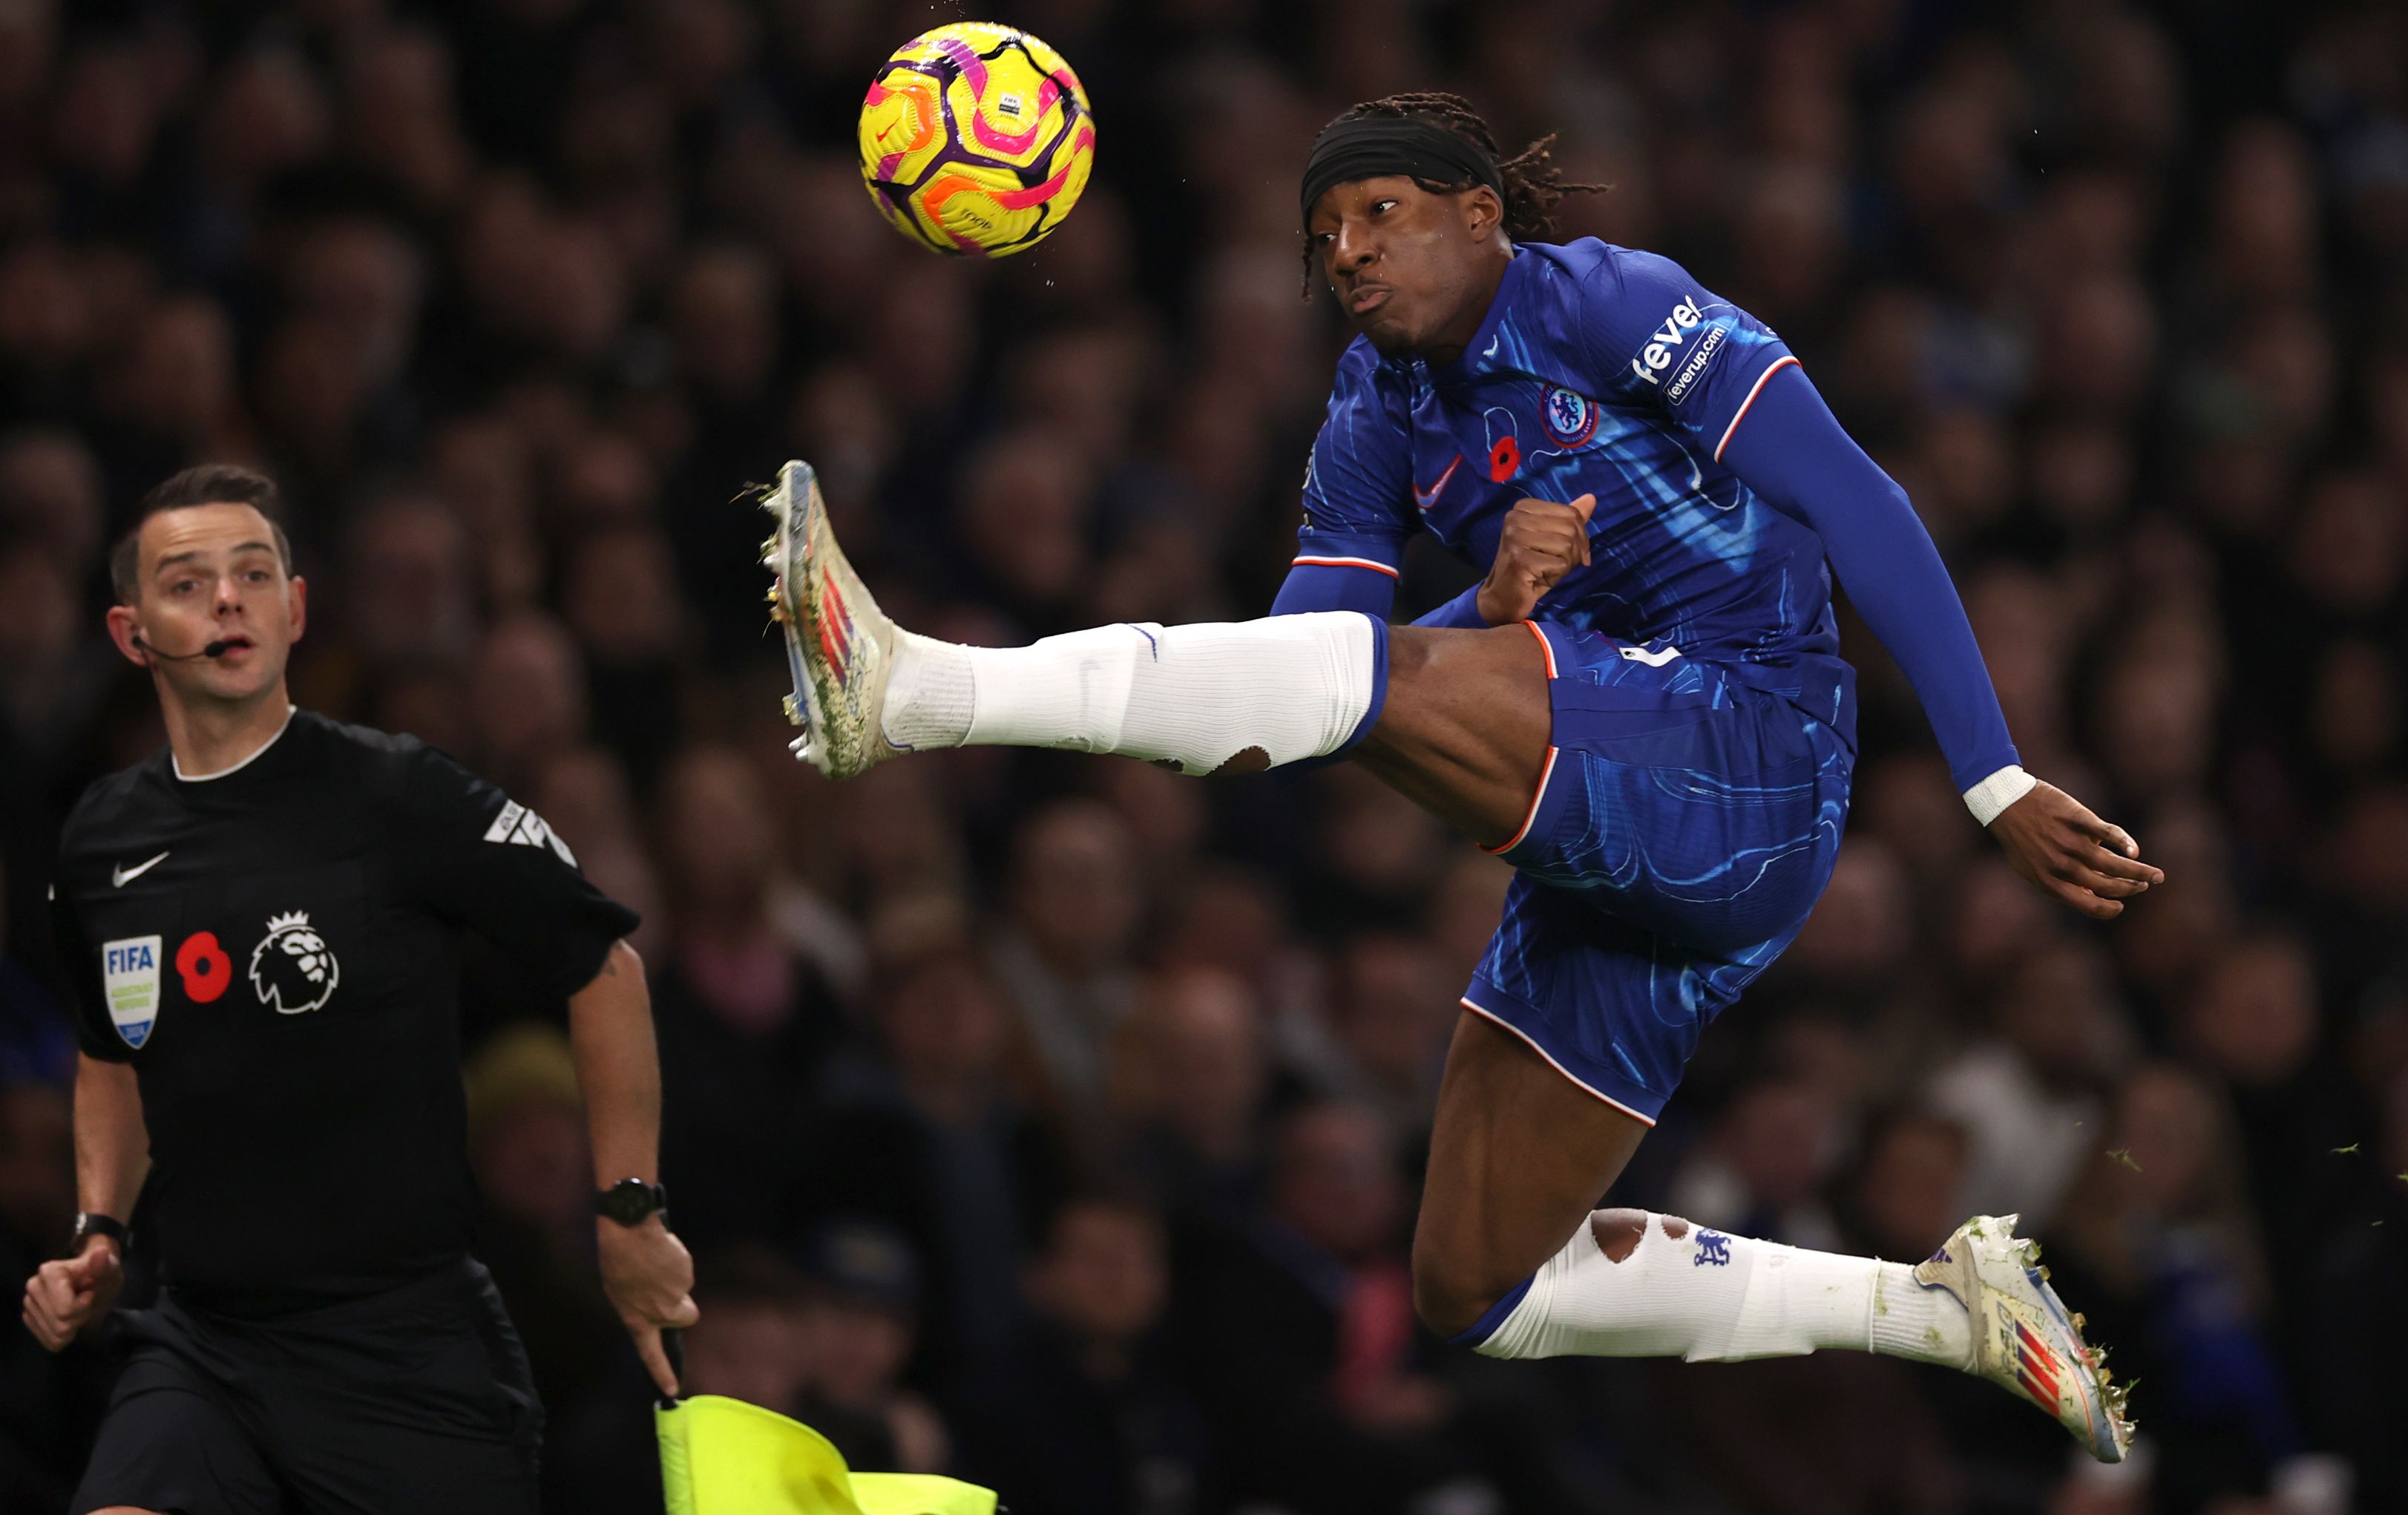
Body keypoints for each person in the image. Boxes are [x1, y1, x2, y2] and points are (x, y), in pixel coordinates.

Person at [761, 93, 2155, 1460]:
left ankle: (917, 694)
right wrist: (1487, 609)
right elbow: (1311, 677)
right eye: (1325, 237)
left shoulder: (1608, 302)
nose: (1350, 253)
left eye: (1382, 215)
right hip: (1616, 843)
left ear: (1479, 216)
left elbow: (1858, 499)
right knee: (1475, 1292)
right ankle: (1931, 1312)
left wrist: (1992, 779)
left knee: (1372, 686)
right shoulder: (1373, 408)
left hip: (1752, 747)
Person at [22, 465, 698, 1515]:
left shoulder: (401, 794)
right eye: (188, 583)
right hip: (202, 1346)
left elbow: (603, 967)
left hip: (406, 1354)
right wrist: (99, 1230)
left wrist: (628, 1216)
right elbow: (114, 1050)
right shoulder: (102, 838)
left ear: (296, 612)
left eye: (254, 574)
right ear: (130, 634)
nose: (228, 600)